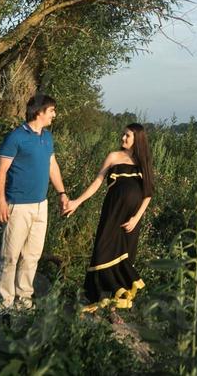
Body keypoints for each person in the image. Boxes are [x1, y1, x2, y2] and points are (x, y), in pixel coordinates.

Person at [65, 122, 155, 319]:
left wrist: (135, 218)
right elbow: (97, 182)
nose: (123, 138)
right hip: (112, 214)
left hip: (131, 221)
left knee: (124, 258)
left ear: (137, 139)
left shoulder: (143, 162)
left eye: (127, 136)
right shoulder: (113, 157)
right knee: (102, 252)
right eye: (123, 135)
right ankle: (97, 298)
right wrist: (77, 202)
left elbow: (148, 194)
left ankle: (113, 308)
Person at [0, 93, 71, 313]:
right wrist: (0, 200)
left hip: (41, 205)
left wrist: (62, 193)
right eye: (52, 111)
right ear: (39, 112)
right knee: (10, 255)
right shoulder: (16, 137)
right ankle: (4, 303)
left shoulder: (47, 137)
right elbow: (1, 171)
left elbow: (52, 166)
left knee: (32, 255)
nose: (54, 115)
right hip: (17, 205)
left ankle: (23, 299)